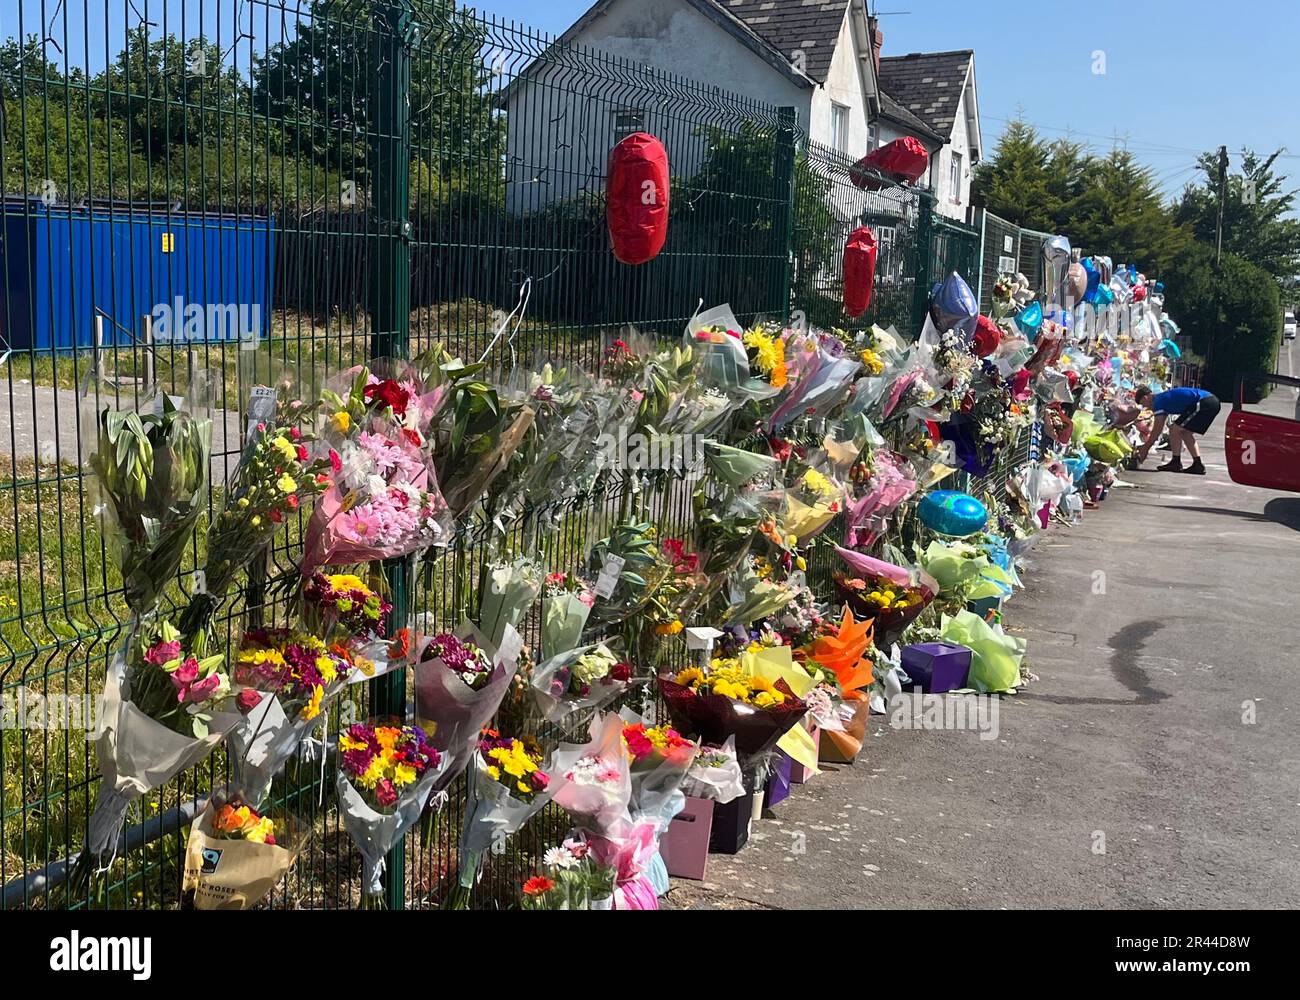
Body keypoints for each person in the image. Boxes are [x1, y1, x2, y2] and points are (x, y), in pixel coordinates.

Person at [1133, 385, 1221, 475]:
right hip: (1211, 401)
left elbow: (1158, 428)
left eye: (1143, 404)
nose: (1146, 407)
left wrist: (1146, 447)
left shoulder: (1158, 401)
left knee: (1174, 429)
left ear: (1146, 397)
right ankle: (1197, 464)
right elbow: (1159, 425)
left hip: (1204, 402)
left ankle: (1176, 462)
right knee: (1184, 432)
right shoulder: (1162, 398)